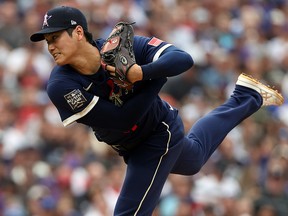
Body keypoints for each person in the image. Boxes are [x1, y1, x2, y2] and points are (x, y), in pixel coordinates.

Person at [30, 5, 284, 215]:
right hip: (130, 141)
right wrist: (153, 79)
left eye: (55, 37)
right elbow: (121, 119)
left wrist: (143, 72)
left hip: (158, 133)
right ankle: (247, 94)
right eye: (47, 41)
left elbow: (183, 59)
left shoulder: (121, 48)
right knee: (194, 158)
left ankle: (246, 96)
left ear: (77, 32)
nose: (50, 46)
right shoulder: (61, 85)